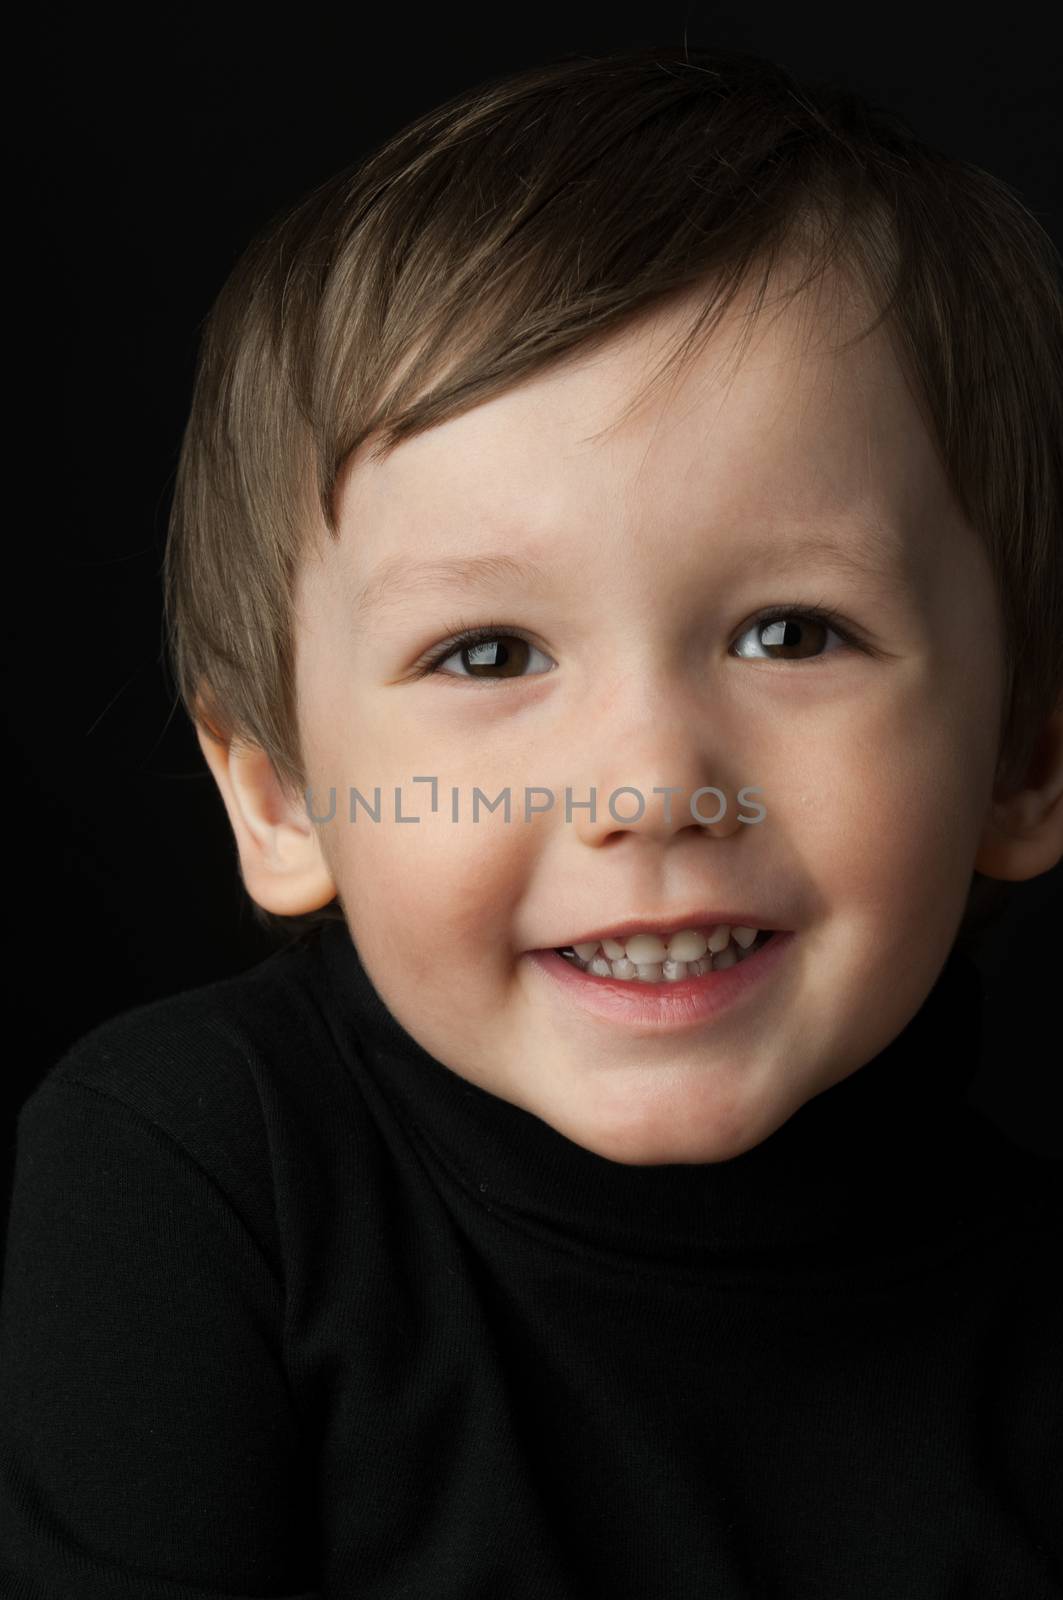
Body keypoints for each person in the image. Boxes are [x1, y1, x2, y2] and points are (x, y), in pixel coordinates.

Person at [2, 41, 1060, 1599]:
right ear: (283, 795)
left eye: (792, 633)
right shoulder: (204, 1179)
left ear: (1026, 760)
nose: (645, 789)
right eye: (487, 654)